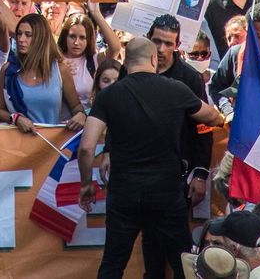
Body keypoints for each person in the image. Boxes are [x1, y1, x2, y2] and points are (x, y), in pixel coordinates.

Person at [80, 37, 208, 277]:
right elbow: (210, 116)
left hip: (124, 193)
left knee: (113, 264)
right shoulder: (176, 89)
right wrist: (221, 119)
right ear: (153, 59)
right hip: (166, 193)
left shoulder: (109, 95)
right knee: (184, 264)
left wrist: (86, 183)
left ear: (126, 62)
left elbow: (86, 147)